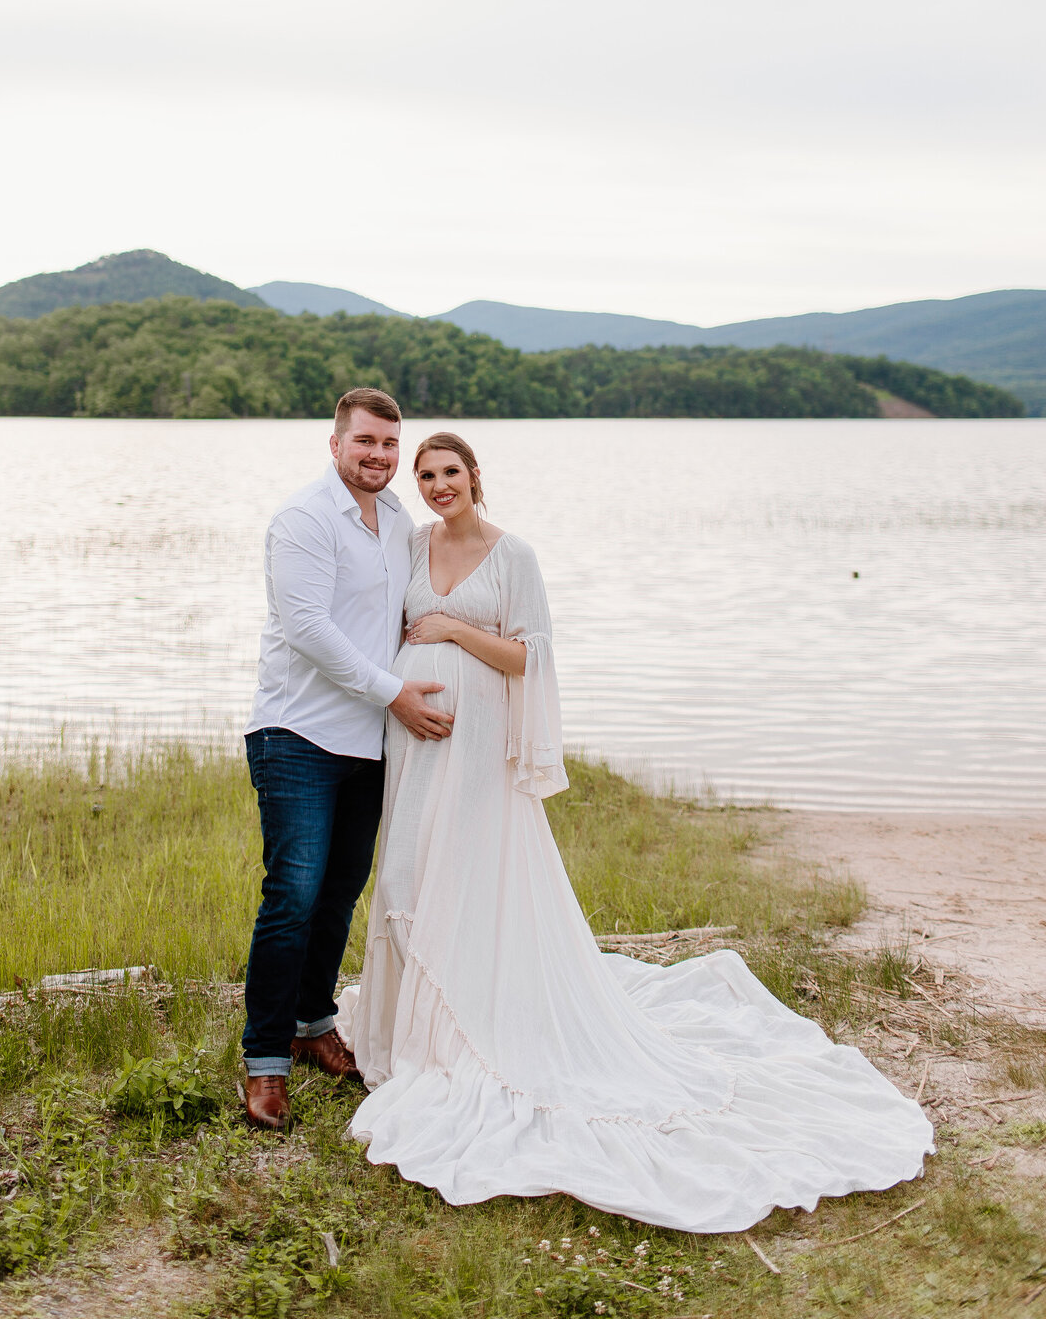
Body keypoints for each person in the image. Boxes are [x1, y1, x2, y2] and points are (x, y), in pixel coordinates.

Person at [337, 431, 934, 1231]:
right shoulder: (412, 543)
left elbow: (530, 657)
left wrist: (451, 633)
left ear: (476, 478)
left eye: (451, 473)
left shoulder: (514, 555)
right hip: (417, 746)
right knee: (408, 873)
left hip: (477, 753)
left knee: (470, 877)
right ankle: (403, 1026)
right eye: (427, 475)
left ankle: (468, 1029)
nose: (439, 486)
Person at [240, 388, 454, 1132]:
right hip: (297, 734)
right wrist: (395, 691)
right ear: (336, 445)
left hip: (369, 740)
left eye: (390, 446)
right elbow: (307, 628)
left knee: (339, 894)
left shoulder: (396, 519)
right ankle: (264, 1064)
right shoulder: (302, 520)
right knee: (292, 896)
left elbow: (400, 610)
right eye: (366, 442)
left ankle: (312, 1025)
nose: (380, 457)